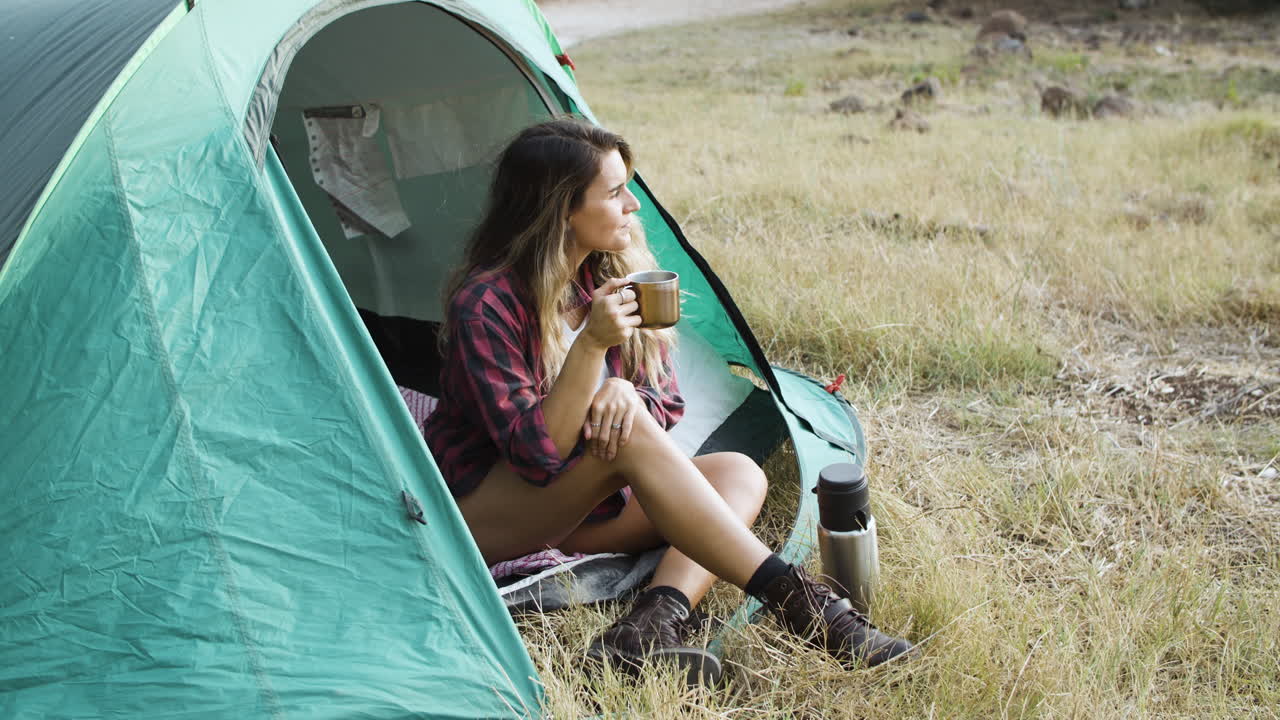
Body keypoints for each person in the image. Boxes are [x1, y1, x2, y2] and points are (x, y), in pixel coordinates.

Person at [423, 118, 914, 685]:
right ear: (561, 210)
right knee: (627, 431)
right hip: (487, 514)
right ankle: (803, 605)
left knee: (739, 474)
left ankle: (651, 624)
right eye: (614, 193)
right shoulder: (486, 304)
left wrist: (622, 393)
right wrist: (593, 350)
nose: (633, 205)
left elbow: (663, 403)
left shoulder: (608, 280)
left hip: (583, 510)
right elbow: (537, 456)